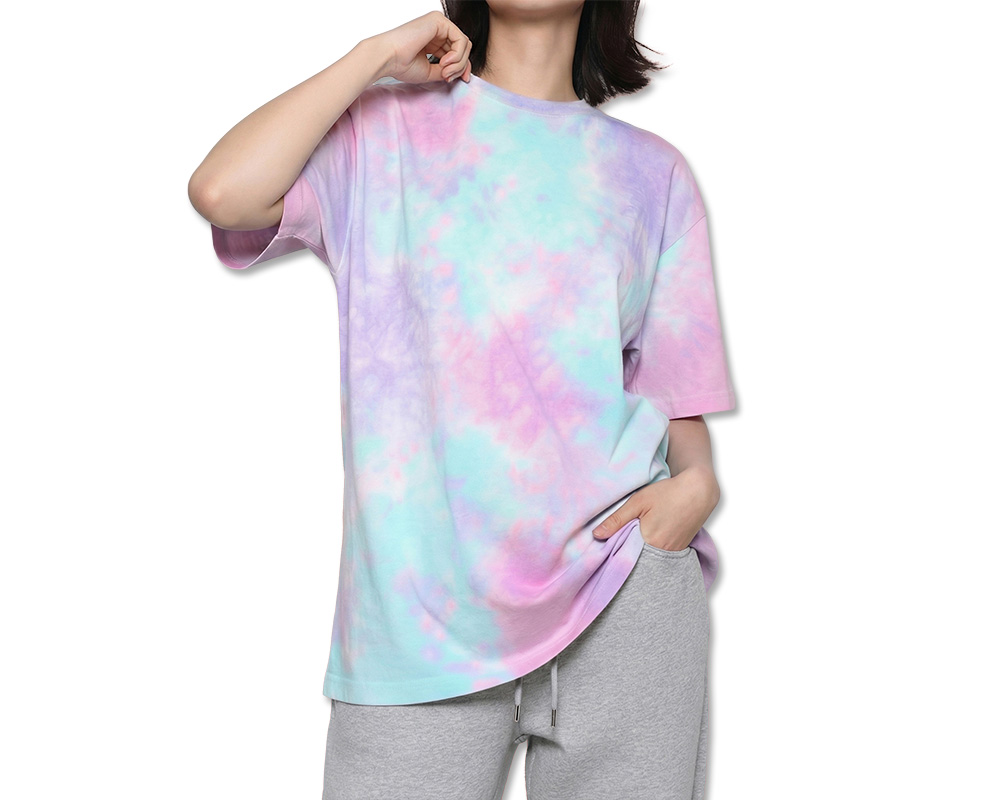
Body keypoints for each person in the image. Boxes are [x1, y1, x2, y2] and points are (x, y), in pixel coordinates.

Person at [189, 2, 736, 798]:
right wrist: (374, 55)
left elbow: (674, 394)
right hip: (419, 626)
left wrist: (696, 488)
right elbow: (223, 192)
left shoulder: (653, 174)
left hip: (623, 589)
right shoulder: (381, 131)